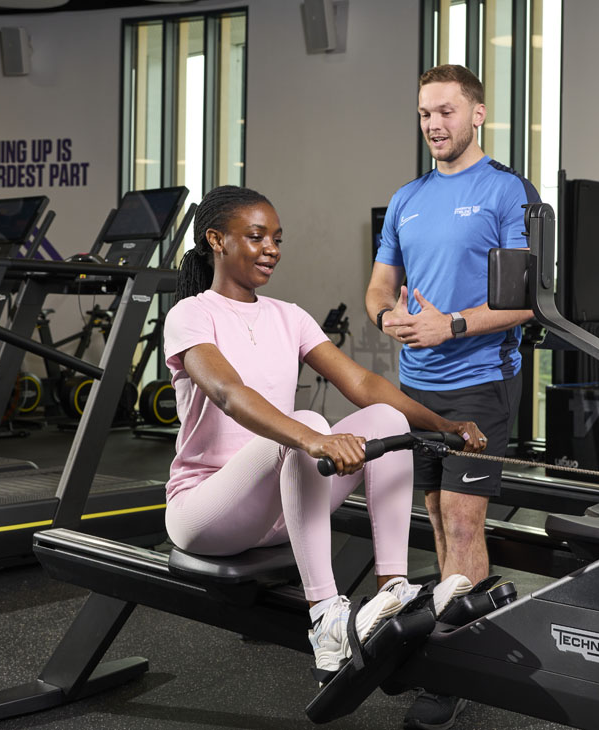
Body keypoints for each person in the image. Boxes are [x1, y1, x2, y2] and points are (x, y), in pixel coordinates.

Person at [163, 185, 487, 683]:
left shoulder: (287, 315)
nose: (271, 248)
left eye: (277, 238)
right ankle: (326, 618)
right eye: (256, 237)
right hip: (208, 512)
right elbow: (228, 392)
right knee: (308, 424)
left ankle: (392, 586)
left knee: (387, 420)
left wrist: (443, 426)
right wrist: (311, 438)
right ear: (216, 240)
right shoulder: (191, 314)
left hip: (280, 506)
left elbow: (362, 383)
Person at [365, 63, 538, 729]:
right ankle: (452, 638)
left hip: (481, 384)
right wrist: (388, 320)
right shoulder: (407, 199)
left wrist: (453, 323)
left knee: (464, 523)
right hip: (417, 389)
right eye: (425, 114)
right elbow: (379, 287)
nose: (434, 125)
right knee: (436, 518)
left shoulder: (506, 192)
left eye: (446, 111)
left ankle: (455, 669)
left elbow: (527, 304)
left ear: (477, 115)